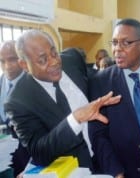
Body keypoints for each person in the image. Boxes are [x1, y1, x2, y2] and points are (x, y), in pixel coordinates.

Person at [4, 30, 121, 171]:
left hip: (107, 159)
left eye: (54, 53)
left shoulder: (72, 59)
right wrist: (75, 119)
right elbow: (40, 151)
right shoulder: (18, 101)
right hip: (74, 171)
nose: (54, 62)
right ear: (24, 65)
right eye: (42, 60)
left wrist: (114, 168)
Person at [88, 18, 140, 178]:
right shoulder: (100, 81)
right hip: (126, 167)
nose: (117, 49)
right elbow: (98, 134)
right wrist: (115, 171)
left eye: (125, 43)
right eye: (114, 42)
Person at [0, 40, 29, 177]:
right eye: (2, 61)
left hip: (29, 162)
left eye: (12, 59)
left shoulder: (35, 85)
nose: (7, 66)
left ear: (22, 60)